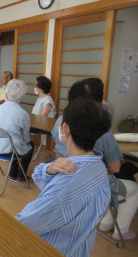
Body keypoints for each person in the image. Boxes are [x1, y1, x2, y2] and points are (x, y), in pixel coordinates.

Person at [16, 98, 112, 257]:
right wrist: (49, 169)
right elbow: (40, 178)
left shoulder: (66, 183)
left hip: (52, 249)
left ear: (65, 128)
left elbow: (24, 224)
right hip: (79, 248)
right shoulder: (99, 166)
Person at [52, 80, 138, 241]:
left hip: (64, 178)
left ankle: (106, 221)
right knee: (131, 186)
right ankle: (121, 231)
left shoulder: (60, 121)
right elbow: (114, 169)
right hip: (91, 183)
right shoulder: (103, 133)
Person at [0, 79, 34, 182]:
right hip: (10, 151)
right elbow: (26, 138)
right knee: (29, 144)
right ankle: (21, 175)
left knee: (13, 140)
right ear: (21, 97)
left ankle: (12, 174)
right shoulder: (23, 114)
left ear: (6, 94)